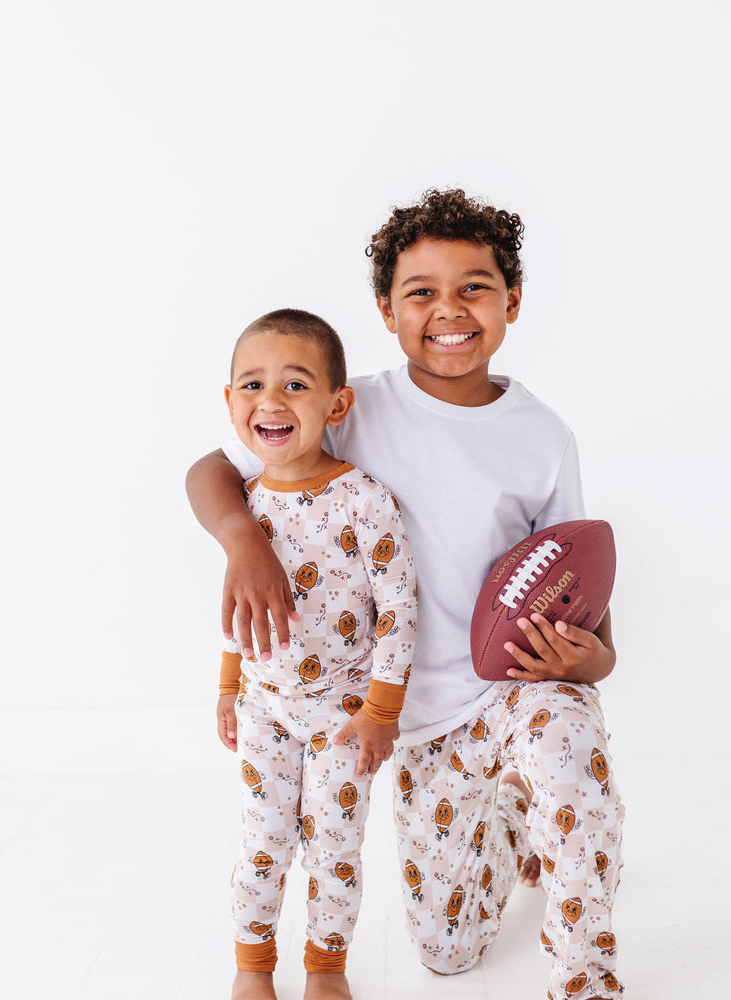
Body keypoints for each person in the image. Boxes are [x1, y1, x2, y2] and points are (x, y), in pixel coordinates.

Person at [187, 191, 626, 1000]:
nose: (449, 310)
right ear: (387, 311)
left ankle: (585, 978)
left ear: (512, 301)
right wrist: (242, 540)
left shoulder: (542, 437)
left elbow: (582, 583)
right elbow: (211, 469)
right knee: (448, 954)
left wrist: (591, 660)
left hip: (509, 687)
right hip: (401, 722)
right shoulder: (342, 405)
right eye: (421, 291)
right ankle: (513, 826)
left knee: (571, 748)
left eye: (474, 287)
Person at [214, 308, 417, 1000]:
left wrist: (381, 712)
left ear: (337, 405)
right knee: (263, 841)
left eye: (295, 385)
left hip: (346, 715)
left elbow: (399, 612)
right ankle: (252, 966)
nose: (270, 401)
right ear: (230, 402)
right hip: (264, 709)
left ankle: (326, 970)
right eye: (252, 385)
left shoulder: (364, 500)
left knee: (333, 845)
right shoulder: (244, 506)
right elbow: (239, 610)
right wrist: (228, 686)